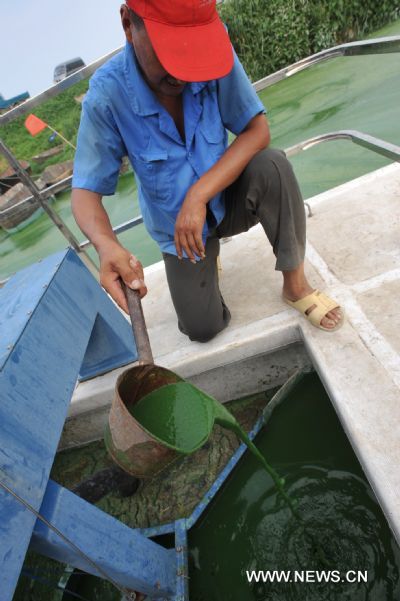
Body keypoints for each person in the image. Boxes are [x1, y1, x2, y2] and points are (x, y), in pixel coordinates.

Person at [71, 0, 344, 342]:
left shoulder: (217, 47)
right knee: (203, 329)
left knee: (273, 165)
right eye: (169, 53)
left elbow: (256, 130)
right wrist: (106, 245)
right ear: (128, 24)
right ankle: (206, 261)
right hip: (179, 233)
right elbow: (84, 191)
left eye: (193, 53)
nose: (182, 73)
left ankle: (295, 285)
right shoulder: (106, 95)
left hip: (226, 199)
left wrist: (198, 196)